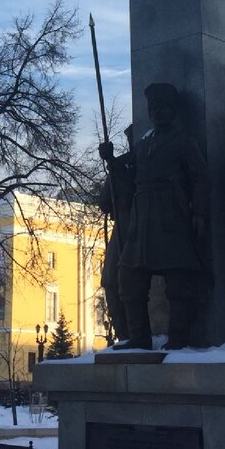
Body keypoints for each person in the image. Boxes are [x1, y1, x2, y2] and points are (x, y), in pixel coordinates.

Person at [101, 82, 210, 350]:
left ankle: (179, 338)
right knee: (128, 277)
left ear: (173, 111)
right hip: (142, 219)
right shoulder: (143, 145)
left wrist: (199, 213)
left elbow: (200, 178)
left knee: (178, 282)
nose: (158, 112)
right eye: (154, 109)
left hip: (171, 215)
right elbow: (129, 180)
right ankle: (139, 337)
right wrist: (112, 161)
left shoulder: (184, 141)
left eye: (163, 108)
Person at [97, 126, 134, 344]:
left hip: (140, 226)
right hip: (121, 227)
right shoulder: (119, 163)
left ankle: (135, 333)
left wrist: (114, 164)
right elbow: (104, 203)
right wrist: (112, 167)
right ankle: (124, 335)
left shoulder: (145, 161)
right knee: (110, 281)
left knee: (130, 281)